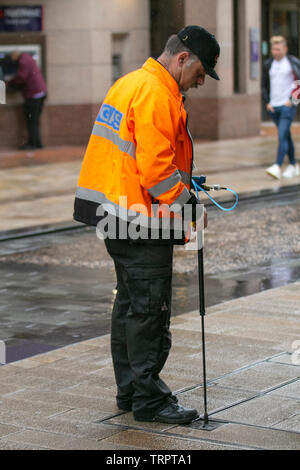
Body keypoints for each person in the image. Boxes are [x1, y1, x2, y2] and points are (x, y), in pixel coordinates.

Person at [73, 25, 220, 424]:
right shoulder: (156, 93)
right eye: (202, 70)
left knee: (129, 307)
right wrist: (191, 208)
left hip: (113, 213)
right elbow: (157, 171)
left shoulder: (130, 83)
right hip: (140, 220)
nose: (203, 80)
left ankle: (131, 391)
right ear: (182, 58)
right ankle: (150, 401)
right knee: (150, 311)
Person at [262, 36, 300, 179]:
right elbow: (264, 84)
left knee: (282, 134)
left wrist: (292, 101)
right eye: (273, 49)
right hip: (274, 107)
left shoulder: (292, 63)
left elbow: (299, 82)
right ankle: (293, 165)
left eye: (278, 49)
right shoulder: (268, 64)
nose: (275, 52)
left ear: (285, 49)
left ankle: (277, 166)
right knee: (286, 135)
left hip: (287, 107)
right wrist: (267, 102)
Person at [6, 51, 47, 150]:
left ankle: (32, 144)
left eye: (12, 58)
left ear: (15, 55)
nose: (12, 61)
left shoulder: (23, 60)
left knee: (31, 121)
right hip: (40, 92)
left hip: (33, 94)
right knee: (35, 120)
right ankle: (37, 143)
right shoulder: (28, 58)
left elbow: (21, 77)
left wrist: (9, 82)